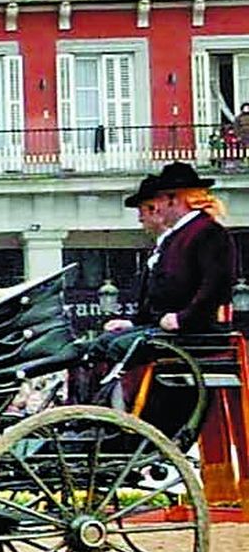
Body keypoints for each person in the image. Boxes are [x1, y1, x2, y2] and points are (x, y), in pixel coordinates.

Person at [102, 161, 235, 433]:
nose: (156, 209)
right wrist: (135, 322)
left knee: (114, 347)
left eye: (160, 201)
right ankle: (100, 418)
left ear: (174, 199)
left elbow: (217, 285)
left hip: (193, 332)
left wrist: (183, 319)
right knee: (105, 343)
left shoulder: (208, 233)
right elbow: (161, 292)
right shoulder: (179, 236)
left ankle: (115, 421)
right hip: (166, 328)